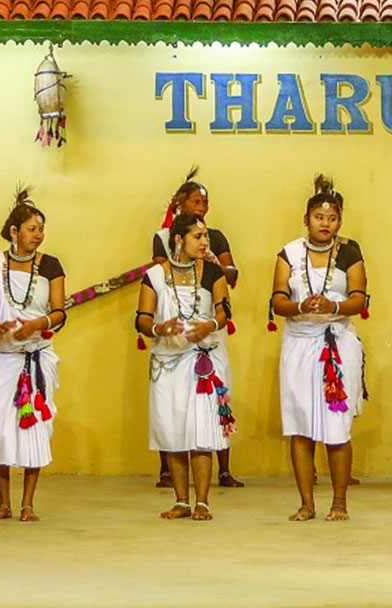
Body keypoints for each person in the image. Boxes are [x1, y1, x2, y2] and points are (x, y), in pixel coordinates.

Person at [270, 175, 369, 521]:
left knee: (336, 427)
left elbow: (359, 298)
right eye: (318, 217)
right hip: (299, 345)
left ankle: (339, 502)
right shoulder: (289, 253)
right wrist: (300, 307)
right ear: (306, 219)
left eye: (332, 218)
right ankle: (306, 503)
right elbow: (278, 299)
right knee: (300, 426)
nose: (325, 223)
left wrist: (334, 307)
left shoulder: (349, 252)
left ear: (339, 221)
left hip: (337, 344)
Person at [0, 187, 67, 523]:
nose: (38, 235)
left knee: (34, 428)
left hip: (37, 356)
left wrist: (38, 323)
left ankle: (28, 503)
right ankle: (3, 502)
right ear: (14, 232)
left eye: (41, 229)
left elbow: (60, 313)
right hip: (3, 358)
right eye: (32, 229)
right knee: (0, 427)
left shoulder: (51, 265)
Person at [137, 211, 234, 521]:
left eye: (206, 236)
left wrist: (208, 326)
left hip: (203, 362)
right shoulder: (154, 276)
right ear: (178, 240)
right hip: (167, 363)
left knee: (201, 430)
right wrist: (159, 329)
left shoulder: (213, 273)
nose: (205, 242)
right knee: (174, 430)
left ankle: (202, 501)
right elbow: (142, 319)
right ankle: (181, 500)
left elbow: (224, 312)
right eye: (198, 236)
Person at [149, 167, 242, 489]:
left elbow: (226, 286)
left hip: (205, 348)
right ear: (180, 204)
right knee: (171, 416)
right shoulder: (162, 242)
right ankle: (173, 481)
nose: (202, 207)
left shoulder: (214, 245)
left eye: (205, 202)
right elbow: (155, 292)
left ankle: (219, 474)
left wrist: (221, 267)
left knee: (211, 411)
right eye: (196, 201)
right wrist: (162, 328)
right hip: (172, 351)